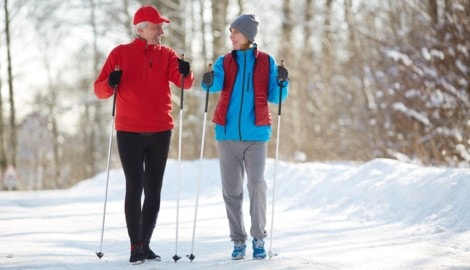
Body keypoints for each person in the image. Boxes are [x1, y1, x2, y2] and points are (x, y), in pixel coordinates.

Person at [94, 5, 194, 264]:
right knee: (135, 185)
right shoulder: (120, 53)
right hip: (128, 131)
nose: (162, 30)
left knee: (154, 189)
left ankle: (146, 243)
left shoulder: (168, 54)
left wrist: (186, 72)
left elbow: (185, 83)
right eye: (156, 25)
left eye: (162, 26)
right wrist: (110, 83)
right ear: (141, 29)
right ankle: (134, 246)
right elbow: (99, 90)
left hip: (161, 130)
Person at [201, 14, 289, 260]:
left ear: (248, 35)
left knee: (257, 185)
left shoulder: (266, 62)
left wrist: (283, 81)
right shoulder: (224, 61)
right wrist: (208, 82)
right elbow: (214, 84)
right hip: (226, 134)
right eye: (231, 32)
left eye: (235, 32)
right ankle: (238, 241)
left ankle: (258, 238)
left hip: (256, 135)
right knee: (231, 191)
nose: (231, 36)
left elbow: (276, 97)